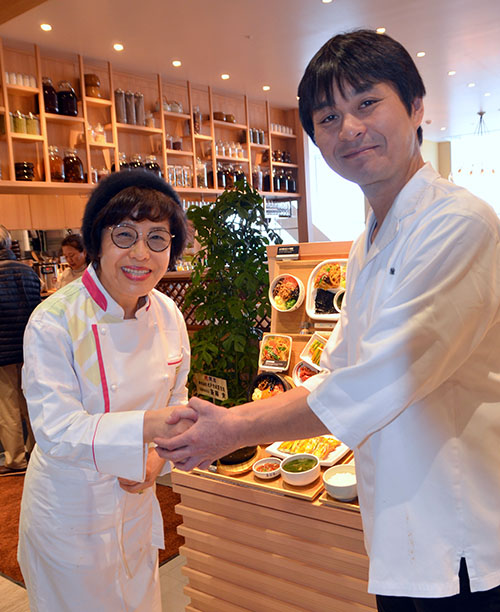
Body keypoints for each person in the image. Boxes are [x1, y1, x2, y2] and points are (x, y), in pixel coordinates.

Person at [156, 30, 500, 611]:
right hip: (397, 531)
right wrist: (229, 419)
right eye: (328, 117)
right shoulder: (368, 242)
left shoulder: (459, 223)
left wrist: (234, 428)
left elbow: (380, 379)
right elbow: (334, 368)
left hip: (460, 532)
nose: (350, 129)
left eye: (367, 102)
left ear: (416, 106)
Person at [18, 170, 194, 611]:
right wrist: (149, 427)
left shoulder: (168, 314)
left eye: (157, 238)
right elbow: (57, 430)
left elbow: (177, 395)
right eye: (124, 234)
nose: (141, 253)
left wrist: (155, 460)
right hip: (71, 513)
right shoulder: (53, 320)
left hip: (136, 506)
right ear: (97, 240)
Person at [0, 225, 40, 476]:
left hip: (2, 351)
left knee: (7, 406)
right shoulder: (27, 271)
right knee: (30, 401)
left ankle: (15, 459)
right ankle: (36, 450)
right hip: (28, 348)